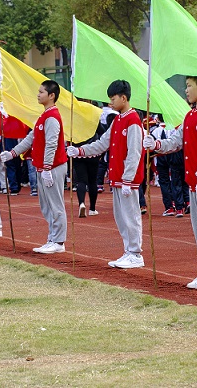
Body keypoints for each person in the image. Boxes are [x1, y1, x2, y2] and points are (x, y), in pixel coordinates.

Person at [143, 76, 197, 290]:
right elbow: (176, 141)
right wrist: (156, 144)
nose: (186, 90)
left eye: (189, 86)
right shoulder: (190, 115)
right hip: (194, 182)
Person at [68, 80, 145, 268]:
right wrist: (80, 151)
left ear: (123, 98)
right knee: (121, 218)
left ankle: (135, 253)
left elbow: (134, 152)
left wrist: (128, 179)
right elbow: (102, 143)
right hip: (117, 177)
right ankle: (128, 250)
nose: (110, 103)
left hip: (127, 179)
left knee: (131, 217)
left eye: (113, 98)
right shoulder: (117, 120)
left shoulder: (133, 120)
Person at [1, 80, 68, 254]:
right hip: (44, 167)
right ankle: (52, 238)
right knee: (47, 206)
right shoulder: (43, 116)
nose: (38, 95)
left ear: (51, 95)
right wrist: (13, 153)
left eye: (41, 92)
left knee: (55, 205)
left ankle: (58, 241)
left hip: (52, 167)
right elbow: (31, 139)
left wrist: (47, 168)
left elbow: (52, 144)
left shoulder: (52, 117)